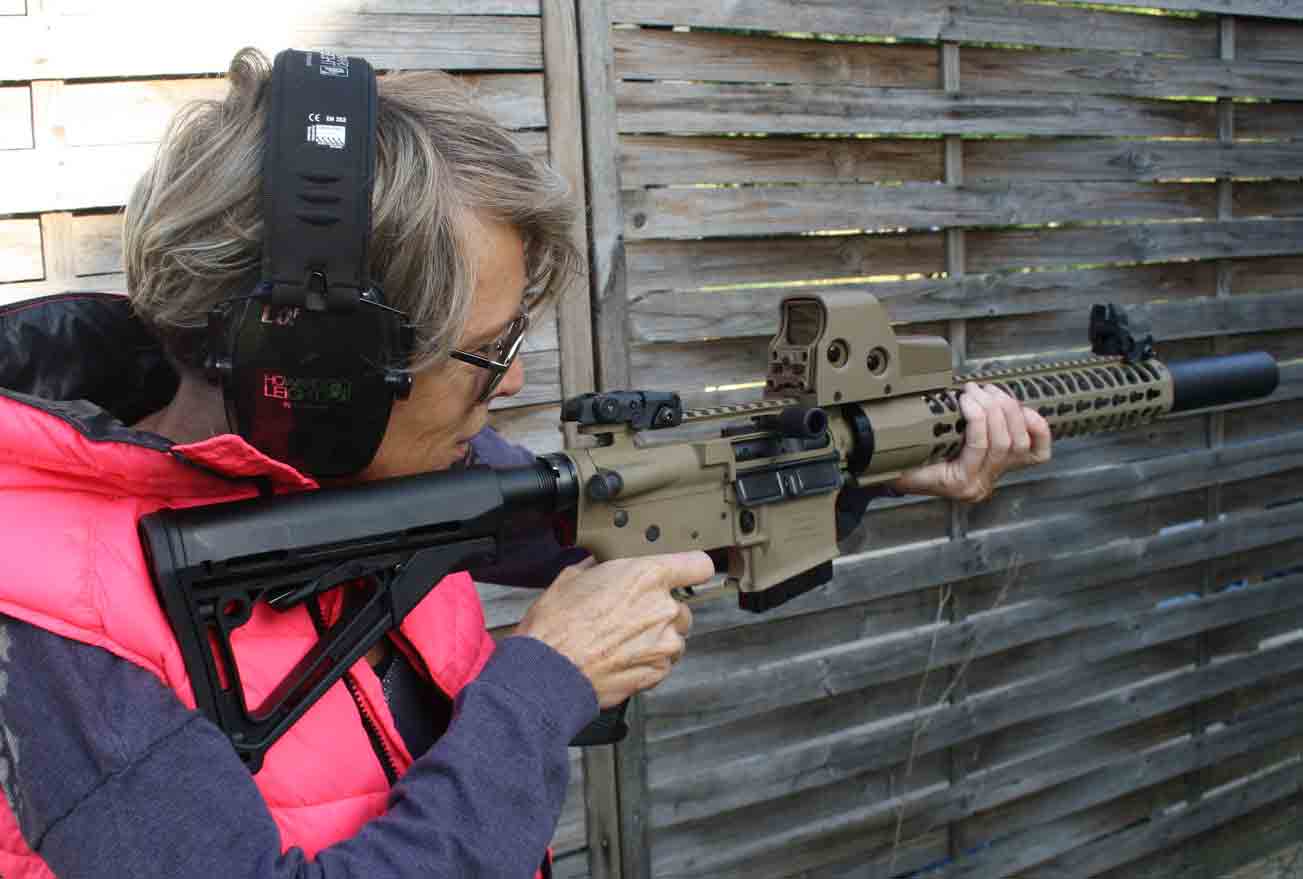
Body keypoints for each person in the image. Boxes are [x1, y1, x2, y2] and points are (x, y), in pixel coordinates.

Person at [0, 49, 1051, 879]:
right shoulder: (54, 628)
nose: (507, 387)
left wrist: (873, 461)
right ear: (323, 373)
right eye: (488, 351)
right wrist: (544, 688)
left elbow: (622, 514)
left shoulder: (351, 472)